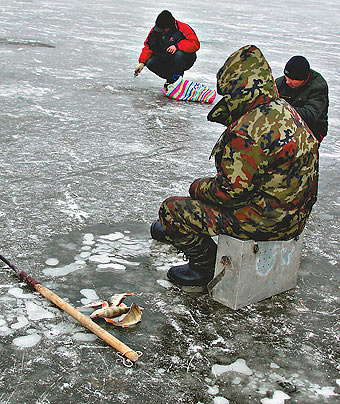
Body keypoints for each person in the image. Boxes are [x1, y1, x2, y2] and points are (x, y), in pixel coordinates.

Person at [150, 45, 319, 287]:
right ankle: (179, 228)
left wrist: (196, 188)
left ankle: (204, 266)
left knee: (171, 209)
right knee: (204, 198)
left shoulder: (251, 128)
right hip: (292, 216)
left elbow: (230, 193)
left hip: (266, 221)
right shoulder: (284, 111)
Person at [134, 10, 200, 89]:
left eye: (163, 29)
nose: (161, 31)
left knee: (179, 54)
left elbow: (195, 44)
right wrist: (142, 62)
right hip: (166, 57)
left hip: (185, 59)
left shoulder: (183, 28)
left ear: (169, 26)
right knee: (150, 62)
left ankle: (175, 81)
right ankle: (170, 80)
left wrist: (177, 46)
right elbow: (149, 46)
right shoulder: (156, 30)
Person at [275, 56, 329, 143]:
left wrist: (281, 109)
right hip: (286, 125)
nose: (288, 81)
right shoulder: (280, 83)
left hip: (311, 129)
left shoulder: (318, 87)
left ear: (304, 79)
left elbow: (310, 115)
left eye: (292, 79)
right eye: (286, 76)